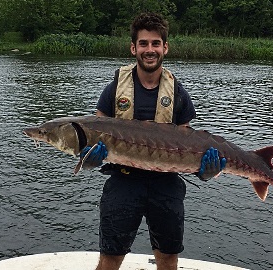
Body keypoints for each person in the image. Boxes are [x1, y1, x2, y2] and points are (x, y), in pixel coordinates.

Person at [82, 12, 226, 270]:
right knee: (110, 257)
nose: (150, 50)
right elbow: (95, 130)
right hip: (124, 181)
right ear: (133, 48)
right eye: (144, 44)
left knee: (168, 257)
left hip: (166, 185)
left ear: (165, 48)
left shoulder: (178, 93)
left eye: (155, 43)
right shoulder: (115, 88)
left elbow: (184, 146)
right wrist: (88, 158)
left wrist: (204, 172)